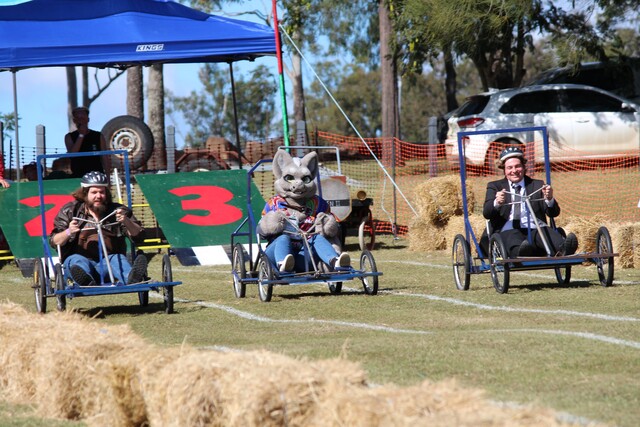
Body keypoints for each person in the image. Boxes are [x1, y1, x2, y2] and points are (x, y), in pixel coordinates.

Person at [257, 150, 349, 272]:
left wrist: (327, 224)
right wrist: (270, 224)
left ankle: (334, 261)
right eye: (289, 178)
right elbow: (260, 232)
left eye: (305, 179)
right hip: (277, 251)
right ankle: (283, 264)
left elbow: (335, 228)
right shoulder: (274, 203)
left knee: (317, 238)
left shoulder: (318, 203)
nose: (299, 183)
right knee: (283, 238)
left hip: (307, 252)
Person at [49, 171, 147, 286]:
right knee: (77, 260)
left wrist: (126, 221)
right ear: (85, 193)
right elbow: (54, 241)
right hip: (79, 261)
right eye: (94, 192)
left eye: (102, 192)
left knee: (117, 258)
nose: (98, 196)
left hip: (107, 263)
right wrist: (68, 231)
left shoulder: (118, 211)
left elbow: (139, 236)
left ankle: (132, 278)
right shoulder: (70, 211)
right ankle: (86, 281)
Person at [482, 147, 578, 258]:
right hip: (508, 229)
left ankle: (564, 248)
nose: (514, 171)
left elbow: (553, 213)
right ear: (504, 169)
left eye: (517, 166)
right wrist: (497, 202)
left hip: (534, 228)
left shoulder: (537, 185)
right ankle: (522, 252)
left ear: (523, 167)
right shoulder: (495, 186)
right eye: (509, 168)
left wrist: (549, 199)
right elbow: (487, 213)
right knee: (513, 235)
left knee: (543, 231)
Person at [64, 106, 111, 178]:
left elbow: (105, 157)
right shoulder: (69, 137)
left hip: (97, 175)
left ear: (88, 119)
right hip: (78, 176)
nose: (81, 120)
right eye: (78, 118)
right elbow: (72, 154)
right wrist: (81, 135)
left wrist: (108, 177)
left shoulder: (98, 136)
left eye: (83, 118)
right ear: (74, 121)